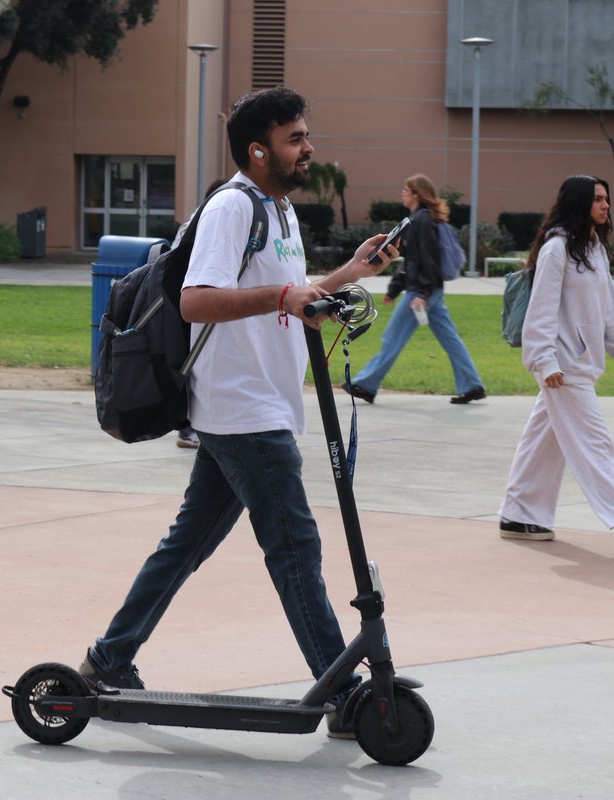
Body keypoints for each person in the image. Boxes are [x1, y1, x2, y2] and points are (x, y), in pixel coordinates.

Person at [78, 86, 397, 739]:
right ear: (259, 150)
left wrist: (347, 274)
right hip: (240, 409)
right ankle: (342, 695)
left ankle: (107, 658)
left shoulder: (278, 211)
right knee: (294, 545)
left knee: (186, 544)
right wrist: (283, 294)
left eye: (306, 136)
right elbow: (198, 300)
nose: (309, 148)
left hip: (260, 404)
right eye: (295, 139)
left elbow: (290, 295)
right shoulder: (233, 207)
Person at [498, 175, 614, 551]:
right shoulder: (556, 248)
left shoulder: (592, 247)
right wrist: (545, 362)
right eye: (597, 199)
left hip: (579, 364)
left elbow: (609, 312)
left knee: (541, 443)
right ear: (578, 203)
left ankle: (520, 514)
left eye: (607, 198)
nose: (605, 205)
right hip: (563, 367)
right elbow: (540, 313)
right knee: (595, 443)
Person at [343, 174, 486, 404]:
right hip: (430, 290)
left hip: (422, 291)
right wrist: (394, 289)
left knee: (392, 338)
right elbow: (413, 261)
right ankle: (472, 385)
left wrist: (421, 294)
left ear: (417, 194)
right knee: (450, 339)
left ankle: (366, 385)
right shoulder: (423, 220)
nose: (403, 193)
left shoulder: (422, 221)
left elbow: (427, 260)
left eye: (406, 190)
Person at [174, 177, 229, 451]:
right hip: (193, 311)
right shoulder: (209, 223)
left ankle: (197, 430)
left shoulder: (195, 221)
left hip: (184, 309)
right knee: (194, 369)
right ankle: (190, 428)